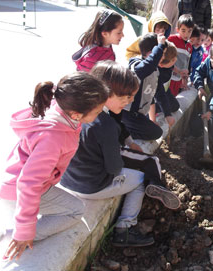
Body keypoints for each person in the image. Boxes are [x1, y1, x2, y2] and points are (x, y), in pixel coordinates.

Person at [60, 61, 180, 248]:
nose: (130, 101)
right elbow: (115, 168)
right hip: (90, 186)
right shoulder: (104, 125)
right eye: (125, 97)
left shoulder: (80, 112)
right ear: (105, 93)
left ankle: (154, 189)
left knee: (137, 161)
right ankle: (125, 229)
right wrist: (123, 160)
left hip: (68, 179)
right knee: (140, 179)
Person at [0, 72, 109, 261]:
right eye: (97, 111)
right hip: (17, 191)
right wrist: (24, 230)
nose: (100, 114)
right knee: (76, 210)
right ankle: (15, 236)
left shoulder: (62, 109)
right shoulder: (53, 138)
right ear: (76, 114)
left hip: (15, 179)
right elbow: (28, 184)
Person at [122, 33, 178, 140]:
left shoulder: (155, 71)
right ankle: (122, 133)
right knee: (155, 133)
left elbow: (158, 94)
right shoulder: (136, 64)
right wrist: (160, 45)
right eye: (161, 53)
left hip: (138, 115)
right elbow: (146, 67)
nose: (162, 57)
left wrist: (166, 115)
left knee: (156, 131)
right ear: (151, 53)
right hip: (126, 113)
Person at [168, 14, 194, 96]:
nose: (186, 34)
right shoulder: (171, 39)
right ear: (177, 30)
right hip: (168, 77)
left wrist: (185, 79)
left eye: (189, 31)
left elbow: (186, 64)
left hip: (178, 79)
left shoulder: (189, 46)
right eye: (183, 30)